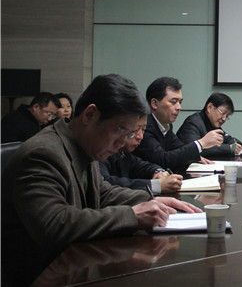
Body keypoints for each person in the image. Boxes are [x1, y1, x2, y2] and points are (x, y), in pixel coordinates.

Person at [1, 74, 200, 287]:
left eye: (130, 133)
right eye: (121, 130)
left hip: (73, 265)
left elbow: (101, 191)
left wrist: (149, 199)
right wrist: (132, 215)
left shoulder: (83, 145)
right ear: (90, 115)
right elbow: (54, 225)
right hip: (38, 275)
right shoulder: (43, 153)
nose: (123, 142)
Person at [133, 77, 224, 173]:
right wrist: (201, 143)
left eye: (180, 102)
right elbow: (162, 160)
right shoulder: (144, 127)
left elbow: (179, 147)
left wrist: (193, 155)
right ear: (154, 103)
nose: (179, 107)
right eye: (173, 102)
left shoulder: (166, 125)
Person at [100, 121, 183, 195]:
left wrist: (158, 172)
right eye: (135, 130)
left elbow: (140, 166)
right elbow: (105, 184)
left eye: (143, 130)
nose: (140, 136)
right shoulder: (99, 152)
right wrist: (156, 185)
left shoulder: (123, 152)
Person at [177, 92, 242, 159]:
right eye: (223, 113)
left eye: (227, 116)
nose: (224, 119)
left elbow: (227, 139)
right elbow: (195, 150)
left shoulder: (212, 124)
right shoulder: (193, 123)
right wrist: (228, 148)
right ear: (209, 107)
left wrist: (236, 145)